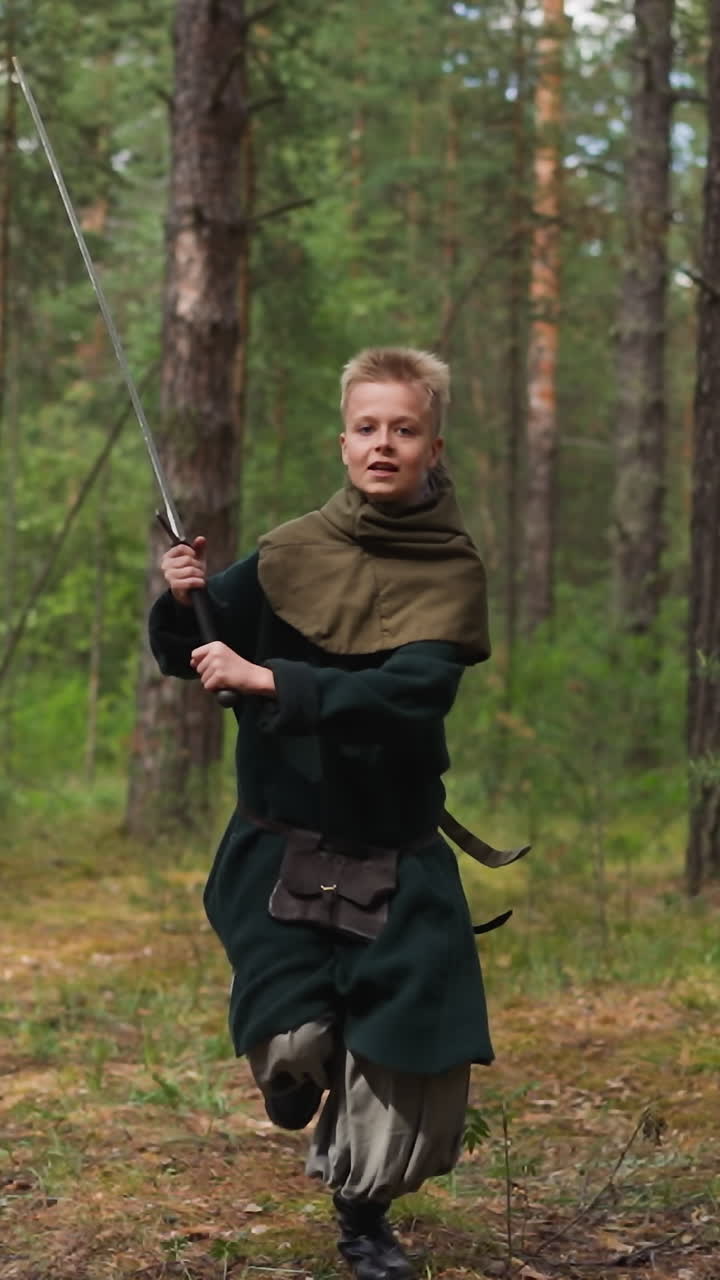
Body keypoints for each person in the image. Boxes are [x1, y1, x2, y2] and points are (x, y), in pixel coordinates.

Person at [149, 347, 520, 1280]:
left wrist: (268, 676)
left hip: (397, 848)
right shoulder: (288, 550)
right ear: (343, 440)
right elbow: (184, 651)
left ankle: (363, 1221)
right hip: (281, 842)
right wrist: (183, 600)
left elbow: (412, 696)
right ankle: (290, 1078)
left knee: (404, 1055)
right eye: (367, 427)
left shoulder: (452, 570)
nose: (383, 444)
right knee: (296, 1041)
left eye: (403, 429)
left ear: (434, 444)